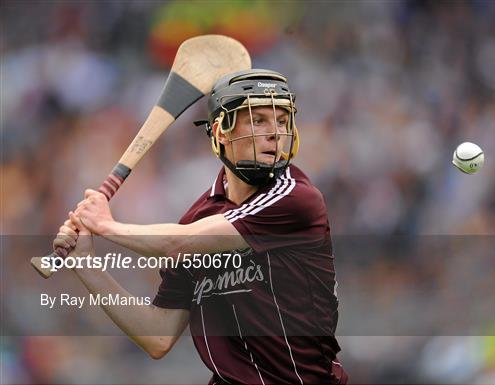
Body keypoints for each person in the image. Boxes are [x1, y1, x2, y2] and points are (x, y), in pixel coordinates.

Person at [55, 69, 348, 384]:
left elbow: (175, 244)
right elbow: (158, 336)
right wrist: (85, 263)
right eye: (258, 120)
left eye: (281, 120)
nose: (274, 132)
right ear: (222, 132)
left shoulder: (295, 199)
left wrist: (106, 226)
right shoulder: (198, 218)